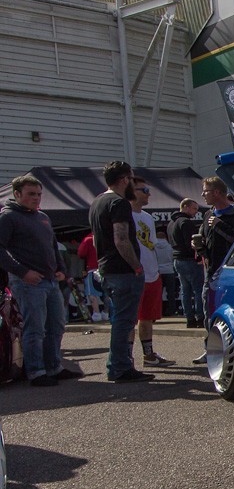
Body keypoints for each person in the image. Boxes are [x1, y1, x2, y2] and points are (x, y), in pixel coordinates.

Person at [0, 175, 79, 386]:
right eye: (31, 194)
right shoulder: (7, 217)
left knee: (57, 326)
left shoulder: (42, 217)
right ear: (17, 194)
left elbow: (53, 246)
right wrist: (23, 272)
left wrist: (61, 270)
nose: (36, 198)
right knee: (35, 329)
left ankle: (54, 367)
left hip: (50, 281)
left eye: (39, 194)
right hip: (28, 283)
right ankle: (36, 372)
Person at [89, 161, 153, 383]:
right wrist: (136, 266)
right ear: (125, 180)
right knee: (124, 322)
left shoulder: (97, 202)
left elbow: (96, 240)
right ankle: (120, 367)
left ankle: (118, 365)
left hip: (107, 269)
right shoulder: (119, 203)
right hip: (123, 271)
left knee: (119, 319)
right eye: (131, 179)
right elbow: (121, 238)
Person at [192, 177, 234, 364]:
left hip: (231, 273)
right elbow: (205, 238)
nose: (203, 195)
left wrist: (219, 225)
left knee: (231, 312)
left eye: (206, 191)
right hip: (211, 271)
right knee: (208, 310)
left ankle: (232, 352)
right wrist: (198, 245)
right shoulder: (208, 214)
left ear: (217, 192)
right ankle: (211, 349)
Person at [129, 177, 174, 367]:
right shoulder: (124, 215)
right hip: (133, 275)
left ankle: (148, 355)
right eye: (144, 190)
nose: (149, 194)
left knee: (147, 317)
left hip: (152, 274)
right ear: (132, 192)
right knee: (129, 319)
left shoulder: (147, 217)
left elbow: (151, 245)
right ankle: (126, 359)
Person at [167, 198, 205, 328]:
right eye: (194, 209)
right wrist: (199, 257)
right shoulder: (185, 222)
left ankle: (189, 318)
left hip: (177, 259)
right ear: (186, 207)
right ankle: (200, 317)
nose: (196, 212)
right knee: (198, 290)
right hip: (189, 259)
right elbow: (191, 244)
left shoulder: (171, 223)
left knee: (185, 290)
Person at [77, 231, 109, 321]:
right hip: (105, 269)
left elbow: (81, 253)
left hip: (92, 269)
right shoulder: (107, 238)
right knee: (107, 292)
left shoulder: (88, 239)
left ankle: (97, 313)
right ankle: (106, 313)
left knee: (91, 292)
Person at [154, 229, 177, 316]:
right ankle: (171, 310)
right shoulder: (169, 247)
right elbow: (172, 258)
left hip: (158, 271)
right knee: (171, 292)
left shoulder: (154, 247)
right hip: (169, 270)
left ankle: (158, 310)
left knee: (158, 294)